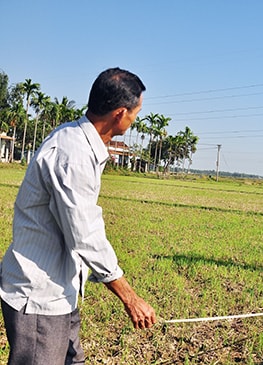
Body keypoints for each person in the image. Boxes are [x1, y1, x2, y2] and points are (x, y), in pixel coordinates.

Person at [0, 67, 157, 364]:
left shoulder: (78, 141)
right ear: (121, 114)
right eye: (136, 112)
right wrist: (130, 298)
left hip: (61, 291)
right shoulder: (73, 155)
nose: (135, 119)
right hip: (39, 298)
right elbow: (85, 234)